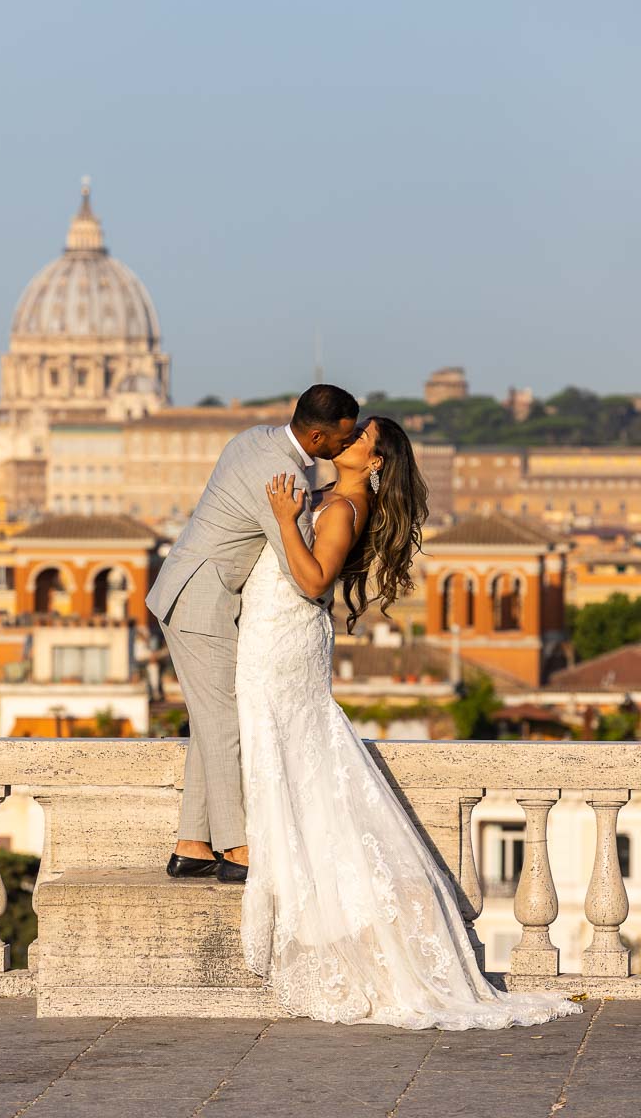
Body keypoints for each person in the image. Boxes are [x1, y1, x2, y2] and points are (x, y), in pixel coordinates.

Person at [235, 415, 582, 1029]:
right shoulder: (333, 494)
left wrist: (287, 521)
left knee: (294, 751)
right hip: (271, 634)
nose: (347, 440)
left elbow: (314, 581)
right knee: (287, 753)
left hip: (282, 639)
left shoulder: (343, 506)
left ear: (374, 463)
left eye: (361, 437)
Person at [146, 384, 359, 881]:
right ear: (317, 435)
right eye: (341, 440)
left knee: (209, 718)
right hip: (203, 601)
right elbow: (300, 571)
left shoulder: (255, 439)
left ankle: (192, 843)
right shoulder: (282, 476)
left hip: (190, 588)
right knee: (225, 723)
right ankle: (235, 847)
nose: (344, 448)